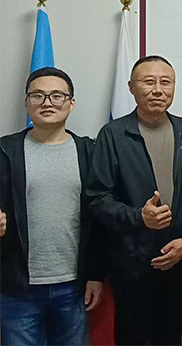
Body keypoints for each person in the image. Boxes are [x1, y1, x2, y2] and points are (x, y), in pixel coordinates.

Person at [86, 56, 182, 345]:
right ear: (132, 88)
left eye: (165, 82)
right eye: (148, 82)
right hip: (130, 263)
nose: (158, 89)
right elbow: (97, 198)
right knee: (133, 339)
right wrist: (138, 217)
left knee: (171, 337)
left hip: (178, 259)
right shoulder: (113, 135)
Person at [0, 67, 105, 345]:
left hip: (73, 287)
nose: (47, 102)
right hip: (16, 288)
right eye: (38, 95)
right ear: (26, 103)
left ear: (72, 103)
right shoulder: (5, 151)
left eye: (57, 95)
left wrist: (95, 275)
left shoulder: (90, 152)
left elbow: (99, 219)